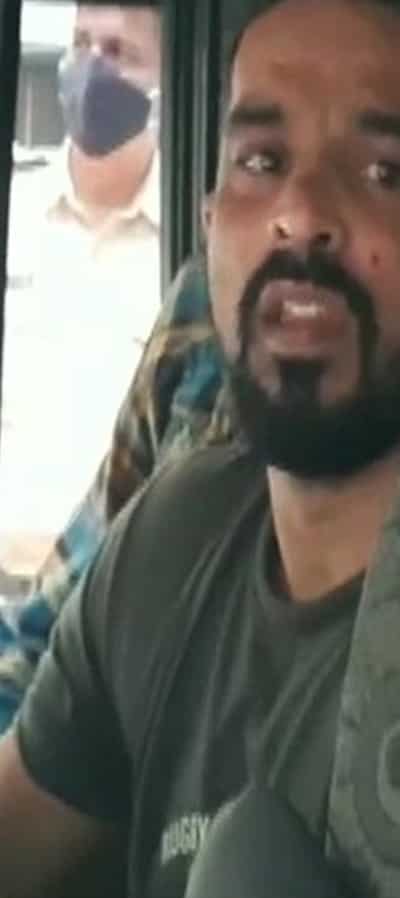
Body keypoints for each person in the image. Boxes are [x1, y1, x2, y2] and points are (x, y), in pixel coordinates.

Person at [0, 2, 400, 898]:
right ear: (208, 228)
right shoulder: (175, 533)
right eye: (262, 162)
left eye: (384, 172)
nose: (301, 214)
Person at [1, 5, 162, 576]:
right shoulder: (18, 211)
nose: (91, 68)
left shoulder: (184, 245)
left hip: (109, 585)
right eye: (80, 43)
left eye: (119, 53)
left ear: (162, 85)